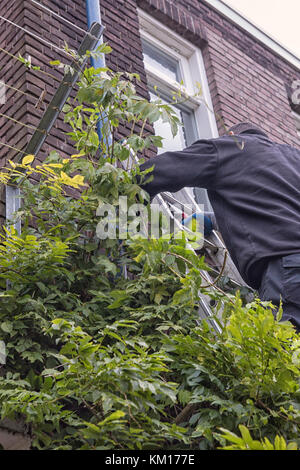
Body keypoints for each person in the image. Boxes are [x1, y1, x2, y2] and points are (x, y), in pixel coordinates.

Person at [138, 122, 300, 331]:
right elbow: (272, 208)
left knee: (283, 351)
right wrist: (212, 221)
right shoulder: (293, 158)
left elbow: (165, 169)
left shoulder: (235, 146)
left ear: (231, 135)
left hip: (287, 272)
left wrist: (125, 200)